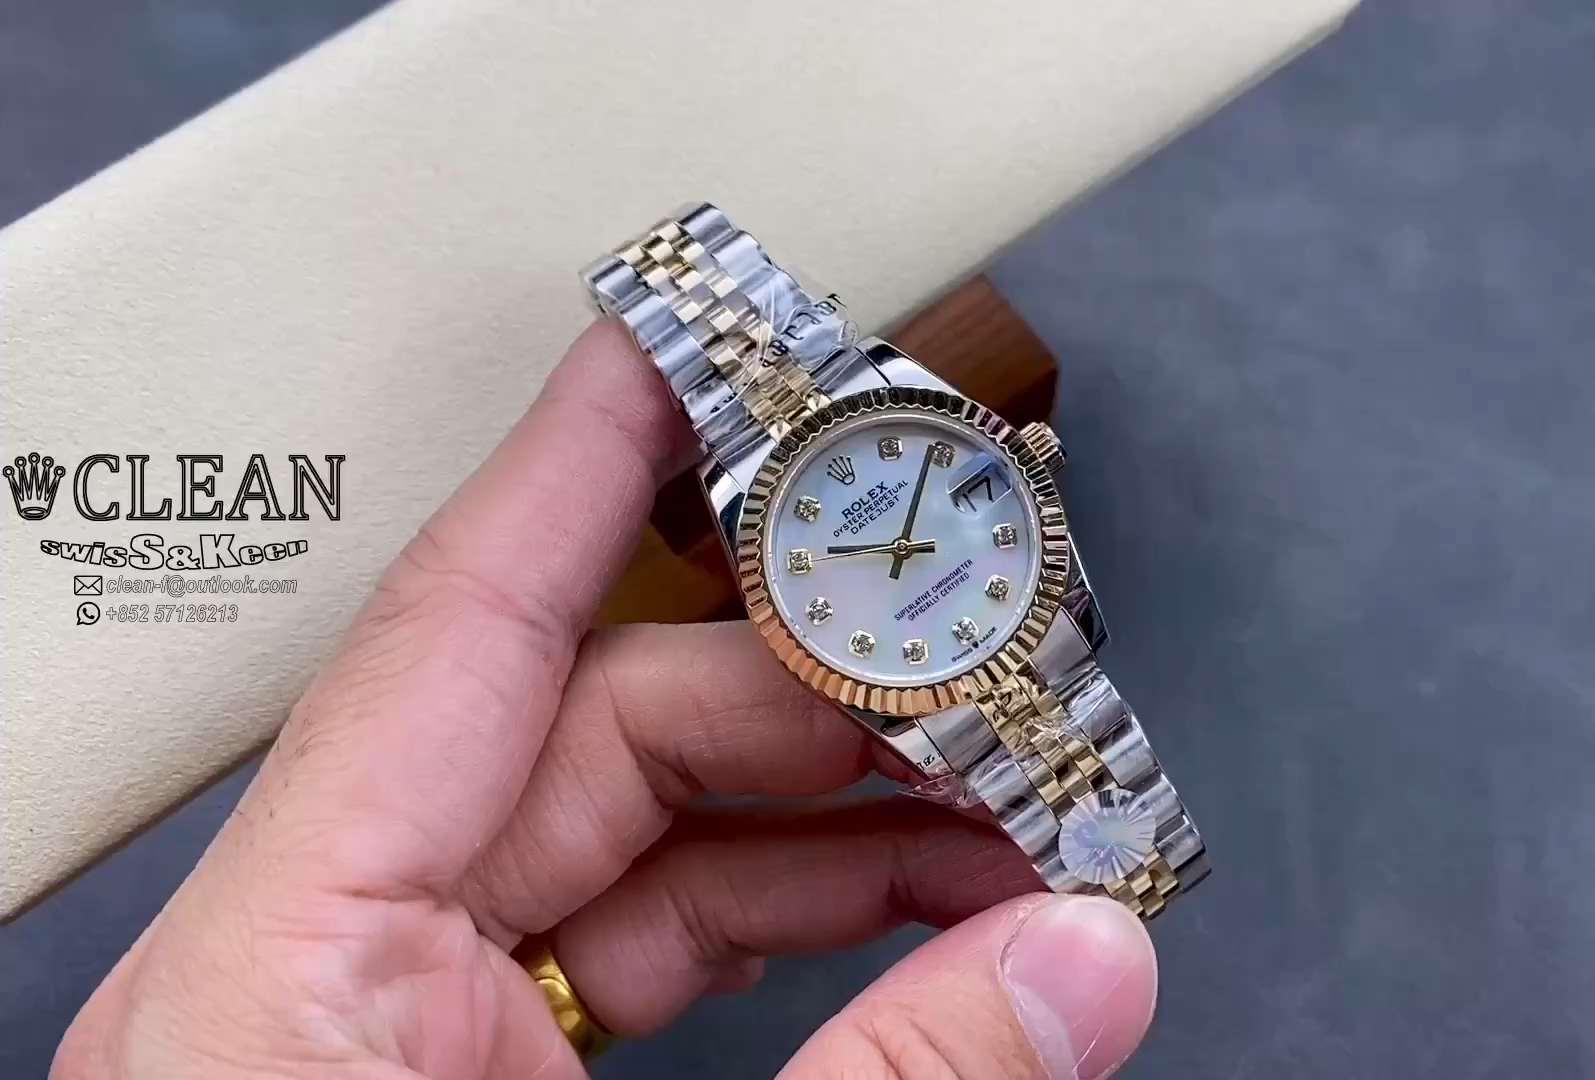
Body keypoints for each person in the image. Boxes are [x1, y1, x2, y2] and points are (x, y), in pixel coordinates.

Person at [51, 320, 1160, 1080]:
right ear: (778, 611)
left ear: (1018, 458)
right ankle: (1132, 855)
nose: (904, 555)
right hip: (930, 652)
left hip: (987, 621)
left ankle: (1134, 847)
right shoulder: (756, 516)